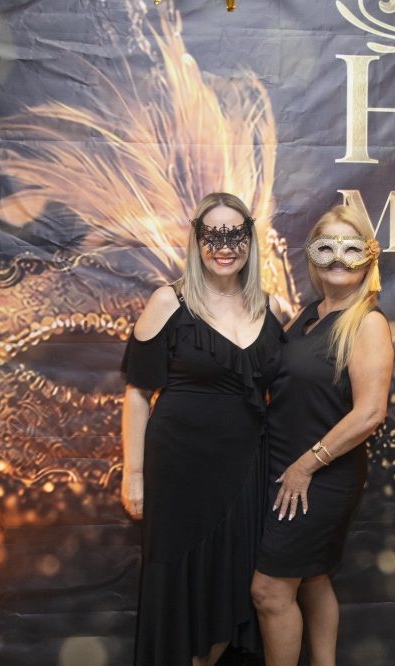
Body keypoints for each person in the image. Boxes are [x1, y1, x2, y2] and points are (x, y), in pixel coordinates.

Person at [120, 192, 285, 666]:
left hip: (246, 472)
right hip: (179, 473)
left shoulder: (272, 308)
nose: (224, 247)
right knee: (181, 592)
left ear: (250, 240)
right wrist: (133, 473)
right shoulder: (168, 301)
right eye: (213, 235)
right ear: (196, 240)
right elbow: (137, 392)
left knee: (233, 588)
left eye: (235, 235)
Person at [251, 205, 394, 666]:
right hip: (282, 467)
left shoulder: (367, 322)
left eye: (351, 248)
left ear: (368, 257)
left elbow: (370, 413)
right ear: (312, 254)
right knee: (311, 579)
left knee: (270, 590)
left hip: (319, 475)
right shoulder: (307, 315)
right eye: (326, 247)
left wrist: (305, 465)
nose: (338, 258)